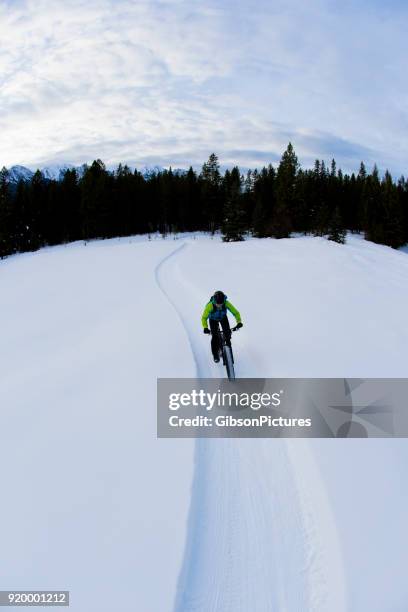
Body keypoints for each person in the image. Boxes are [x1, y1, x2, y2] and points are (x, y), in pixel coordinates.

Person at [201, 291, 243, 362]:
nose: (219, 306)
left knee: (227, 334)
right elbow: (204, 318)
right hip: (213, 320)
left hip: (223, 318)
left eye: (221, 304)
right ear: (215, 302)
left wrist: (239, 322)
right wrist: (205, 327)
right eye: (218, 304)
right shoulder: (210, 306)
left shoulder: (226, 303)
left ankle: (229, 353)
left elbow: (235, 312)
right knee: (215, 337)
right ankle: (215, 355)